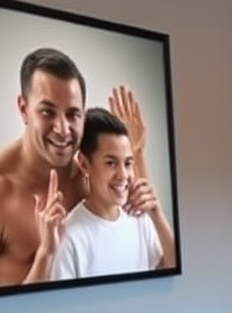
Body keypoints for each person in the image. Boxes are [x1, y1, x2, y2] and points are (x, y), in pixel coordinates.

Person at [0, 48, 151, 286]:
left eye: (72, 115)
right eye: (47, 112)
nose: (62, 129)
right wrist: (45, 254)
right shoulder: (3, 188)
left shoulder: (93, 171)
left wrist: (136, 152)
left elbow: (142, 226)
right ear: (23, 108)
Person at [50, 108, 175, 280]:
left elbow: (171, 270)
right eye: (111, 163)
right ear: (85, 164)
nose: (123, 175)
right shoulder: (69, 238)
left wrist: (157, 215)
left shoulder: (139, 218)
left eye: (128, 163)